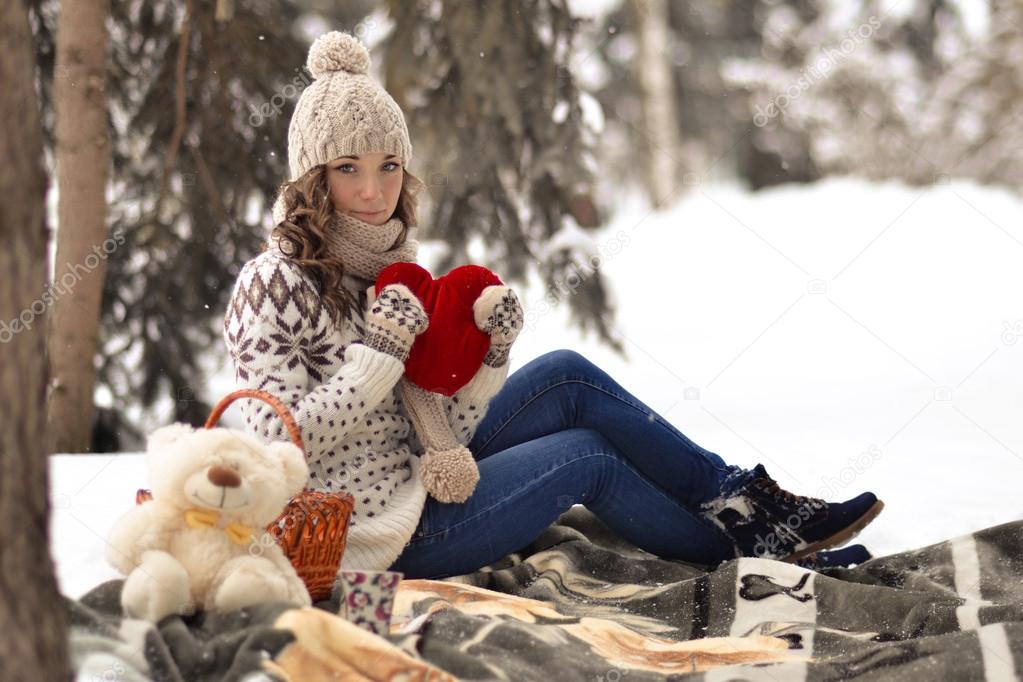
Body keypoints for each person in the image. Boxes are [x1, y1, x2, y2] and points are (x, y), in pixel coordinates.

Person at [223, 32, 883, 580]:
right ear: (312, 174)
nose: (373, 190)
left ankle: (746, 502)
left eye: (388, 166)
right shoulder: (273, 282)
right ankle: (749, 560)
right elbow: (269, 443)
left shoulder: (390, 271)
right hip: (374, 536)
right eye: (347, 168)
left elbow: (439, 422)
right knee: (584, 457)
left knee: (565, 372)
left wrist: (490, 358)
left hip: (423, 474)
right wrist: (377, 360)